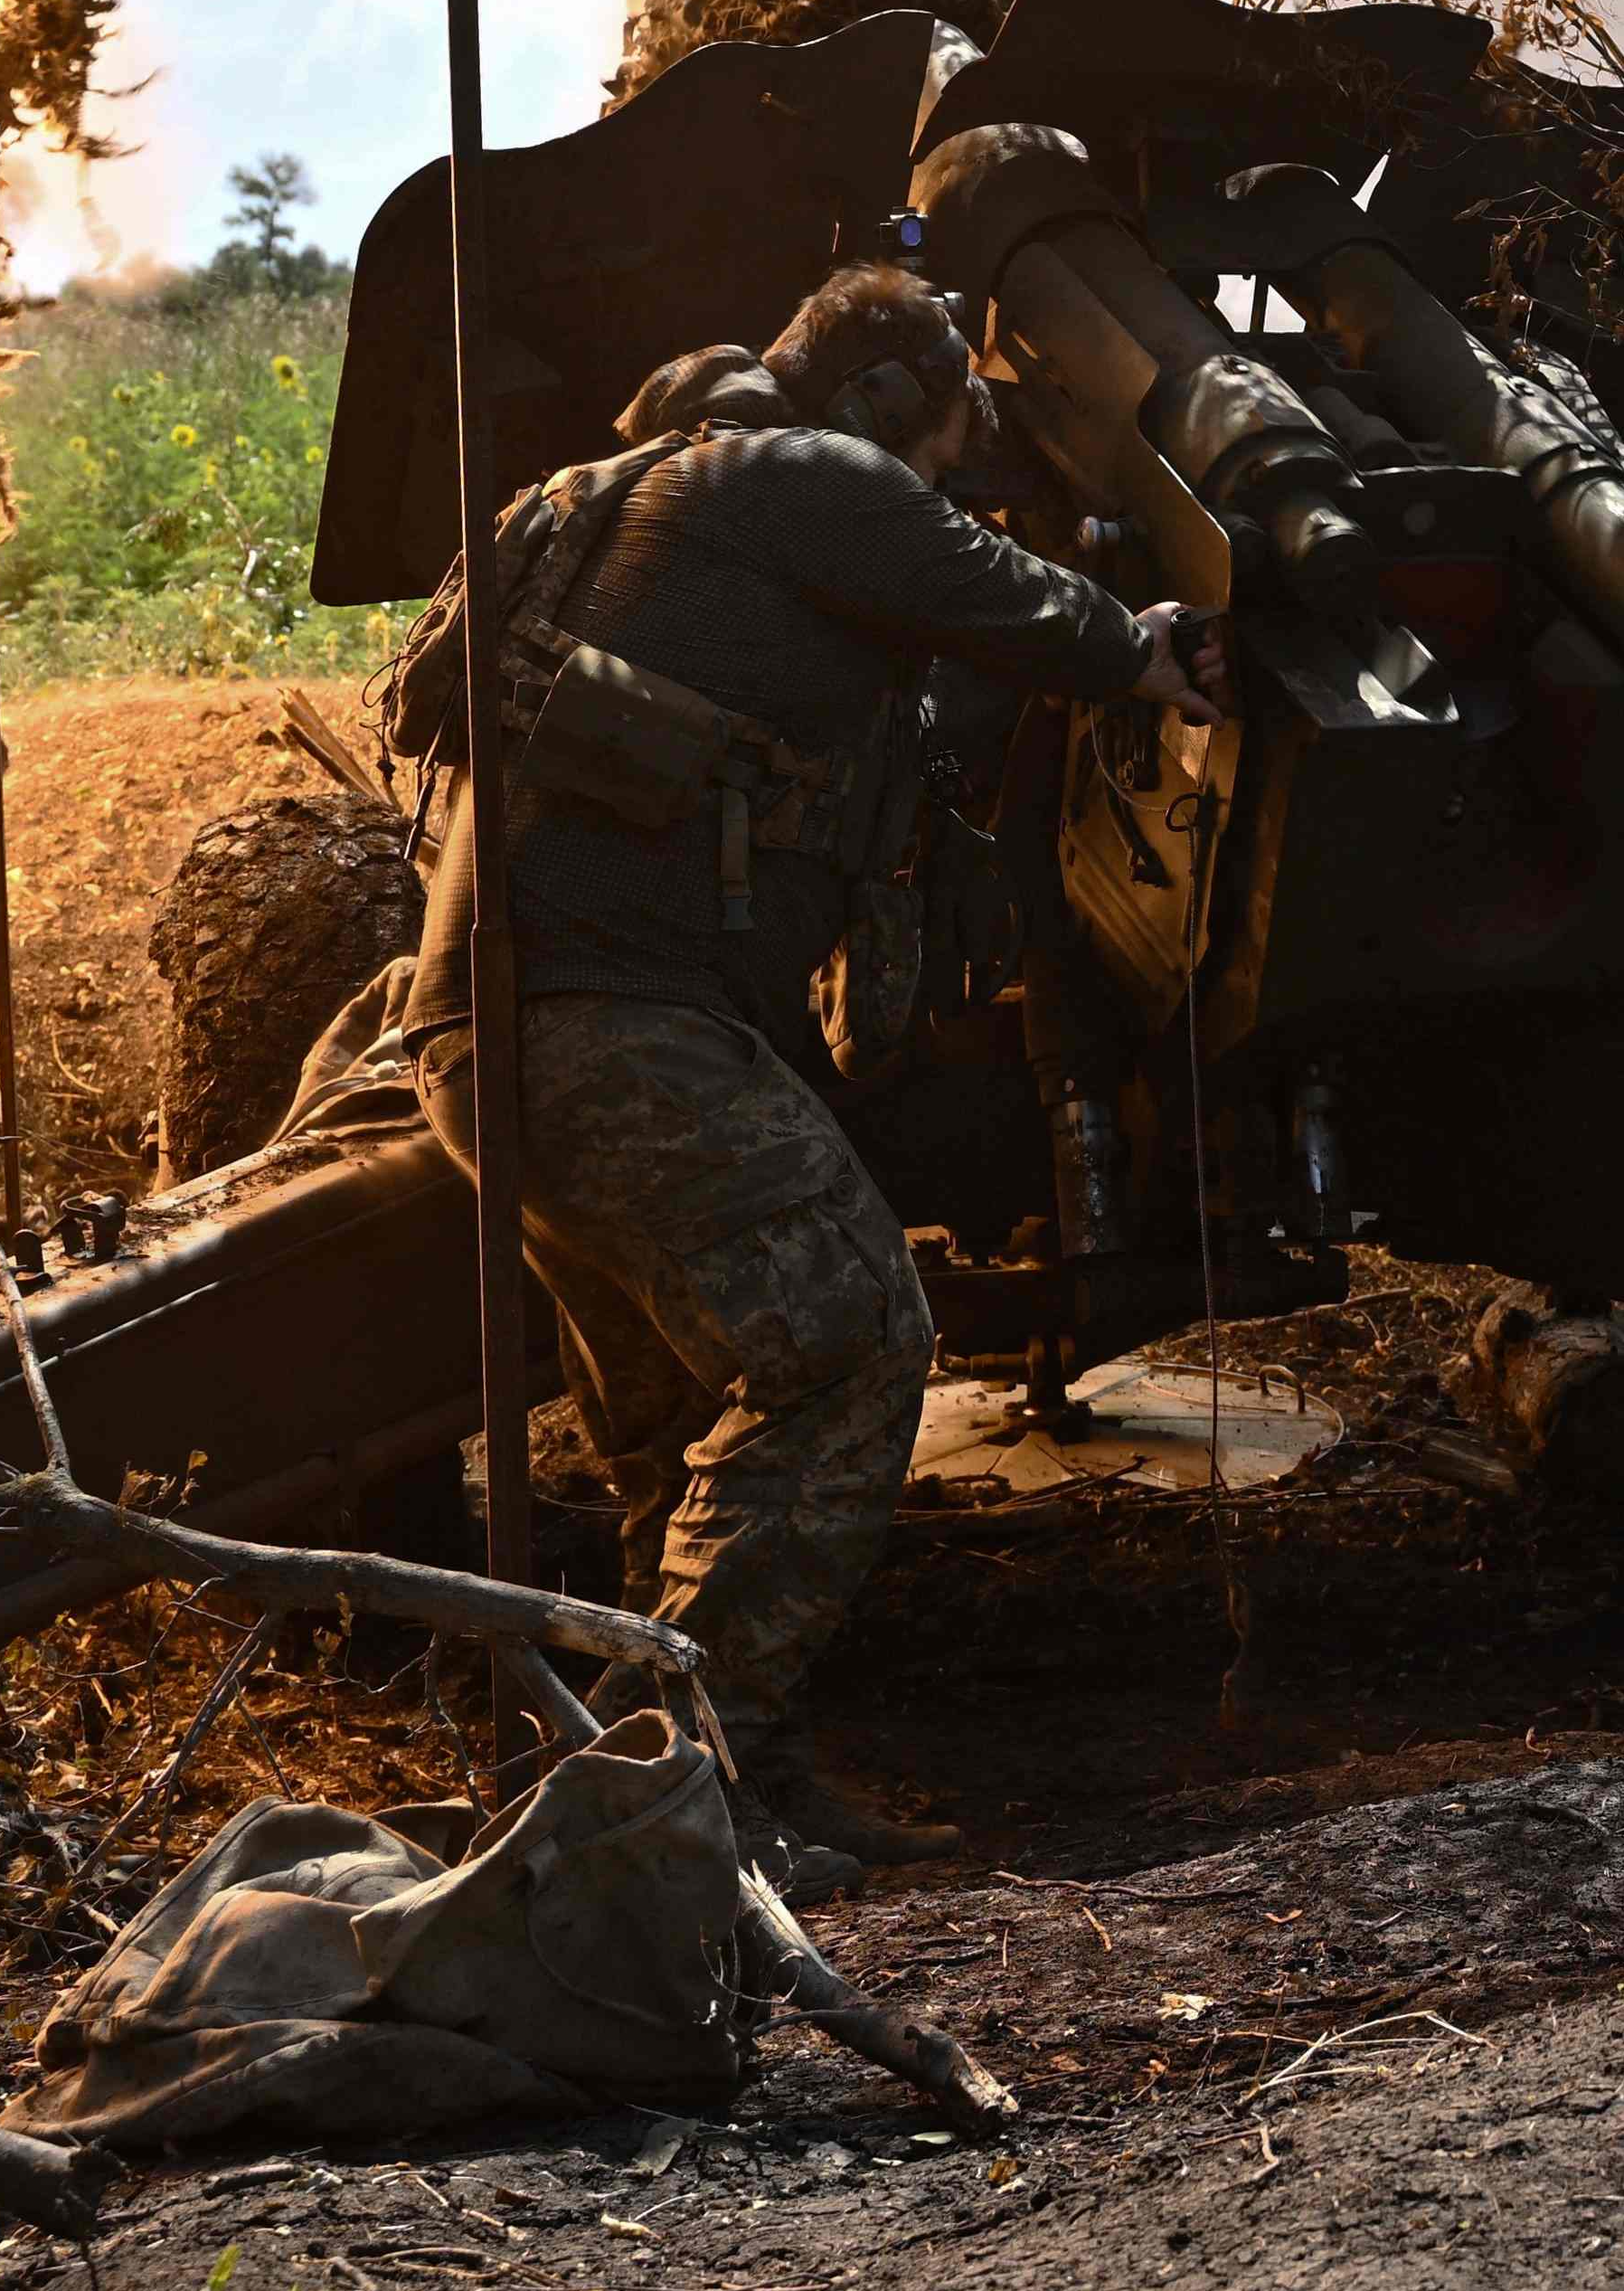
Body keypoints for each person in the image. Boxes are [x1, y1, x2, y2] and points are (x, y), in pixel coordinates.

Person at [384, 262, 1197, 1870]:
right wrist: (1148, 647)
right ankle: (717, 1784)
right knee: (843, 1348)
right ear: (888, 399)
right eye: (959, 420)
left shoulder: (612, 494)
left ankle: (636, 1796)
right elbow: (1015, 604)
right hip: (616, 1030)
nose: (966, 456)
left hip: (494, 1041)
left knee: (676, 1421)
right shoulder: (806, 470)